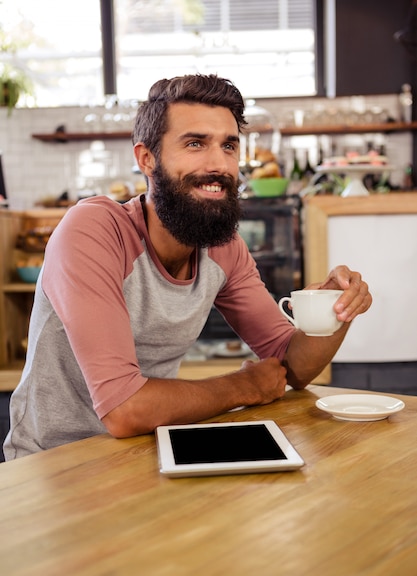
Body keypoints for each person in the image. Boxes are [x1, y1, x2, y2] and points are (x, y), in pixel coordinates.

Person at [3, 74, 372, 460]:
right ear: (147, 158)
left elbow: (291, 366)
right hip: (53, 464)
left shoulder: (224, 246)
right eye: (195, 143)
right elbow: (124, 409)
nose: (218, 164)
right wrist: (243, 387)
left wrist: (334, 310)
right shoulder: (94, 231)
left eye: (229, 146)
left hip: (148, 452)